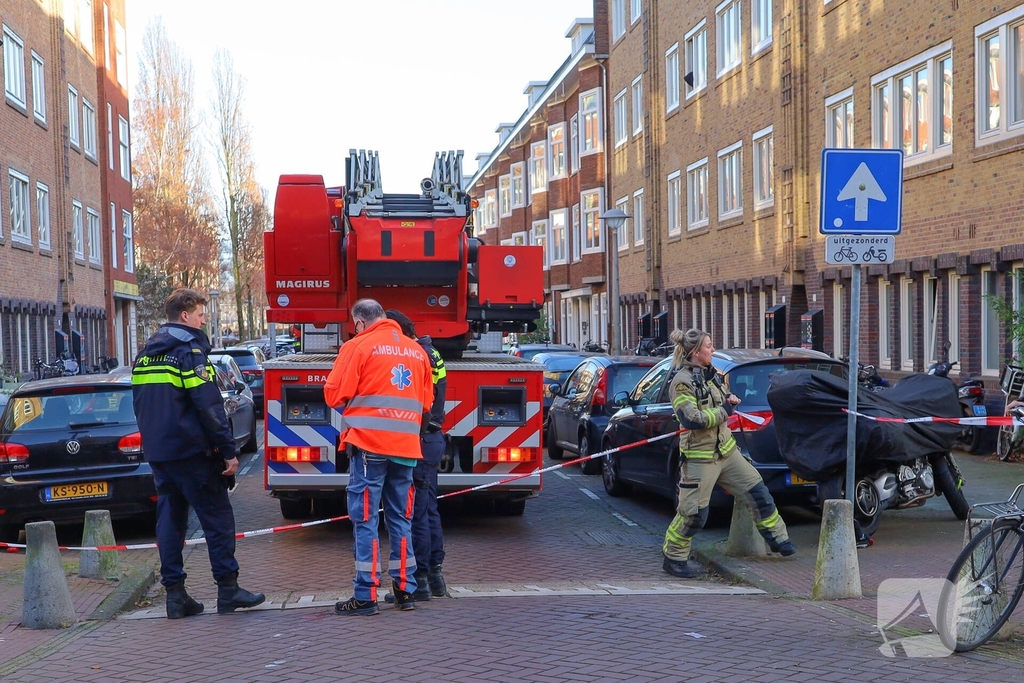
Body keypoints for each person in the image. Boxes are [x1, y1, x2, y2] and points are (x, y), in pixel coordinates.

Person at [131, 288, 265, 619]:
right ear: (186, 315)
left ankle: (175, 596)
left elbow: (140, 405)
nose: (205, 320)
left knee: (170, 520)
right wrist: (228, 450)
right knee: (217, 519)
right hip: (192, 452)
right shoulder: (189, 353)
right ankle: (228, 589)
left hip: (160, 453)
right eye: (202, 315)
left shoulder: (145, 355)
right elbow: (208, 406)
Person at [324, 298, 434, 615]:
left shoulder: (359, 346)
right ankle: (404, 591)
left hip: (370, 447)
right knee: (401, 519)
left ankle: (366, 595)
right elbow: (425, 405)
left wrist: (358, 412)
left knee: (366, 521)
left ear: (359, 322)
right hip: (407, 448)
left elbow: (333, 394)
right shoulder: (416, 352)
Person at [662, 328, 796, 578]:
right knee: (693, 515)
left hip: (727, 451)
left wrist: (729, 399)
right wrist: (726, 410)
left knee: (758, 493)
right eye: (709, 346)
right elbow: (692, 419)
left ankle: (779, 541)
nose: (713, 350)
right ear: (695, 352)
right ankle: (674, 557)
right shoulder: (682, 382)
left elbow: (719, 402)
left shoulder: (712, 375)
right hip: (699, 458)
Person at [384, 310, 449, 603]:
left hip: (420, 439)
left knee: (416, 513)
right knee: (429, 508)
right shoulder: (431, 351)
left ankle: (420, 581)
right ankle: (435, 576)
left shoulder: (415, 353)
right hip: (433, 438)